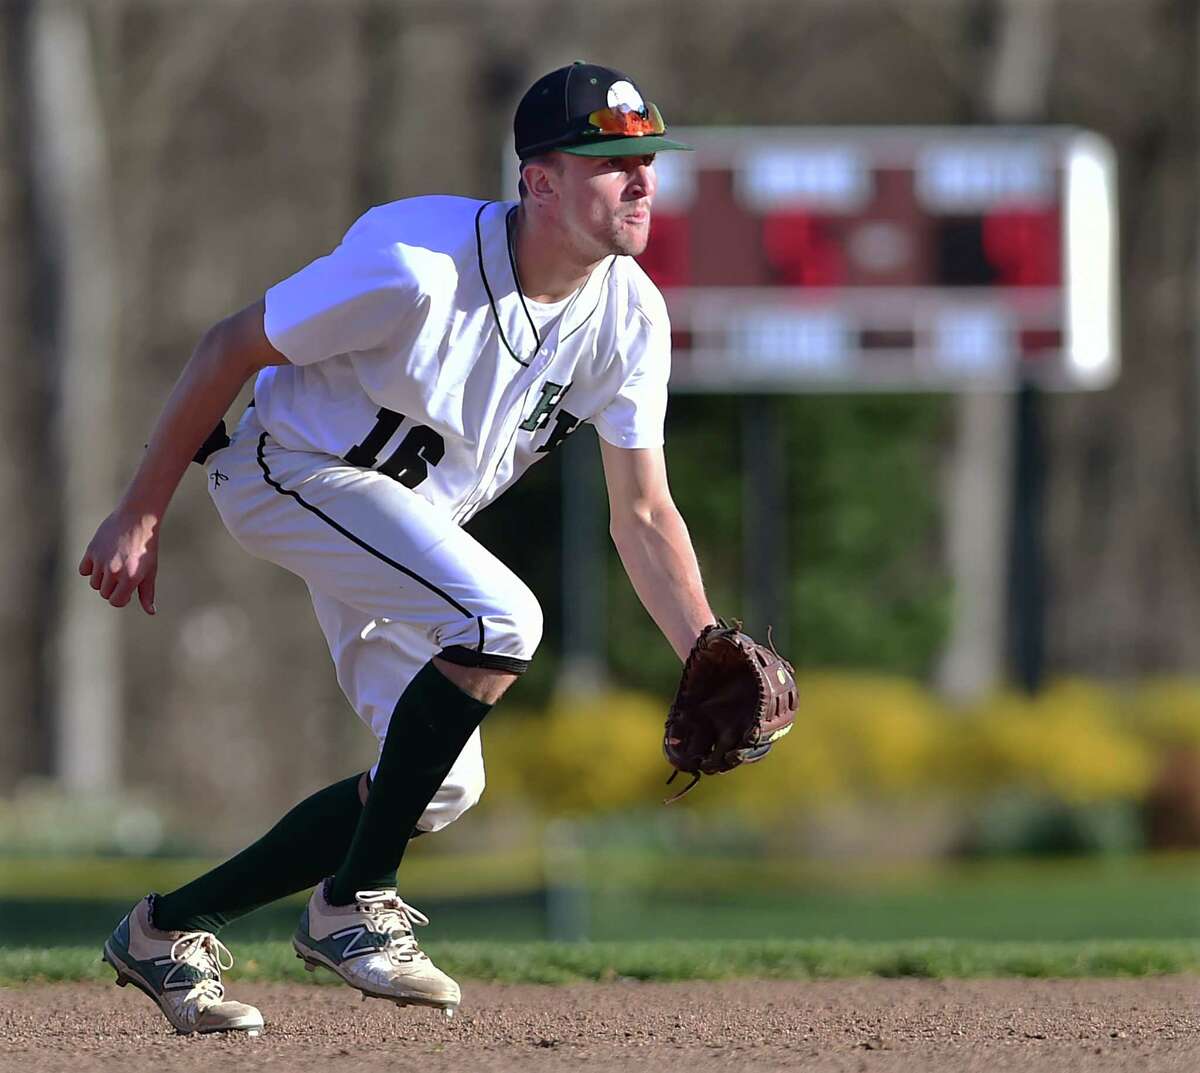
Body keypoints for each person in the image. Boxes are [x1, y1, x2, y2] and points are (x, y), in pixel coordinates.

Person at [80, 61, 711, 1036]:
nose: (640, 182)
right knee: (505, 618)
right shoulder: (416, 268)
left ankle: (166, 929)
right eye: (608, 160)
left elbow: (644, 511)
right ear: (539, 181)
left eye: (648, 161)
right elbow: (227, 346)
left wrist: (703, 648)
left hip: (404, 528)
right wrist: (142, 507)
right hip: (287, 467)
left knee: (442, 781)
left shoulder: (629, 315)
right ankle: (352, 903)